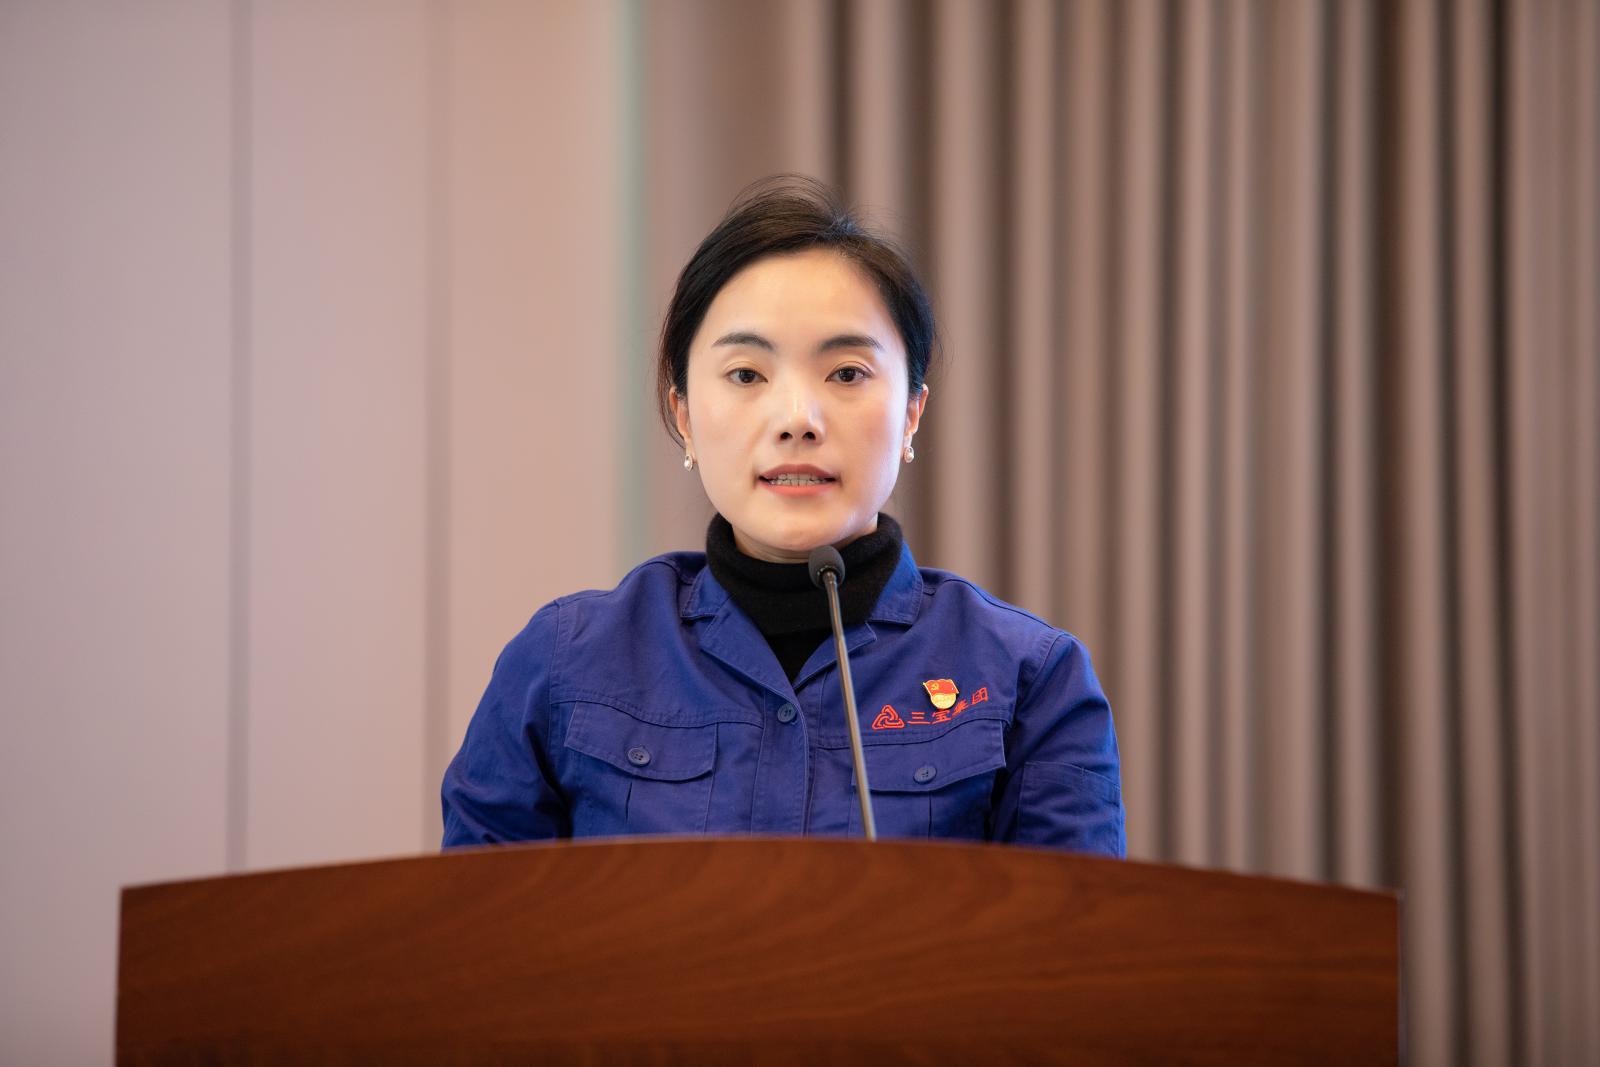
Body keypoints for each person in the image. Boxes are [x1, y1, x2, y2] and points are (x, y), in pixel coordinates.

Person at [441, 176, 1125, 856]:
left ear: (912, 413)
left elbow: (1068, 926)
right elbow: (477, 920)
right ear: (684, 415)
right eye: (747, 375)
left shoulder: (1031, 679)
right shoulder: (564, 664)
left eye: (847, 373)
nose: (798, 418)